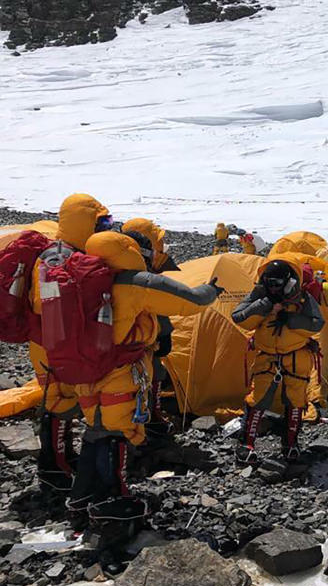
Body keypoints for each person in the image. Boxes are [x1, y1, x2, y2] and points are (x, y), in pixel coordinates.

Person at [67, 232, 220, 541]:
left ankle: (81, 503)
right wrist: (212, 290)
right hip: (118, 371)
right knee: (118, 433)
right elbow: (189, 300)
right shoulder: (134, 282)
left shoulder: (76, 281)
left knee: (95, 432)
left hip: (83, 372)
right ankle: (116, 501)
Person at [29, 194, 113, 492]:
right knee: (58, 403)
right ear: (83, 223)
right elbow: (44, 304)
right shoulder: (56, 257)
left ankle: (63, 460)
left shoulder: (69, 253)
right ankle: (54, 468)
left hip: (58, 341)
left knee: (66, 401)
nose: (105, 228)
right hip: (50, 342)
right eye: (101, 222)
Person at [232, 256, 323, 464]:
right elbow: (238, 316)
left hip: (296, 357)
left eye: (277, 284)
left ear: (289, 281)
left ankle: (291, 443)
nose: (273, 288)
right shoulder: (261, 293)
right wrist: (264, 305)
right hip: (267, 356)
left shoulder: (303, 298)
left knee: (296, 401)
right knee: (258, 399)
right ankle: (246, 444)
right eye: (269, 283)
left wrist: (290, 320)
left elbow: (317, 323)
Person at [121, 221, 180, 436]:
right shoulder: (143, 275)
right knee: (149, 374)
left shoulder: (121, 267)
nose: (162, 247)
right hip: (142, 340)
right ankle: (147, 422)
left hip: (133, 339)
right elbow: (156, 307)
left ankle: (143, 420)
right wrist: (164, 333)